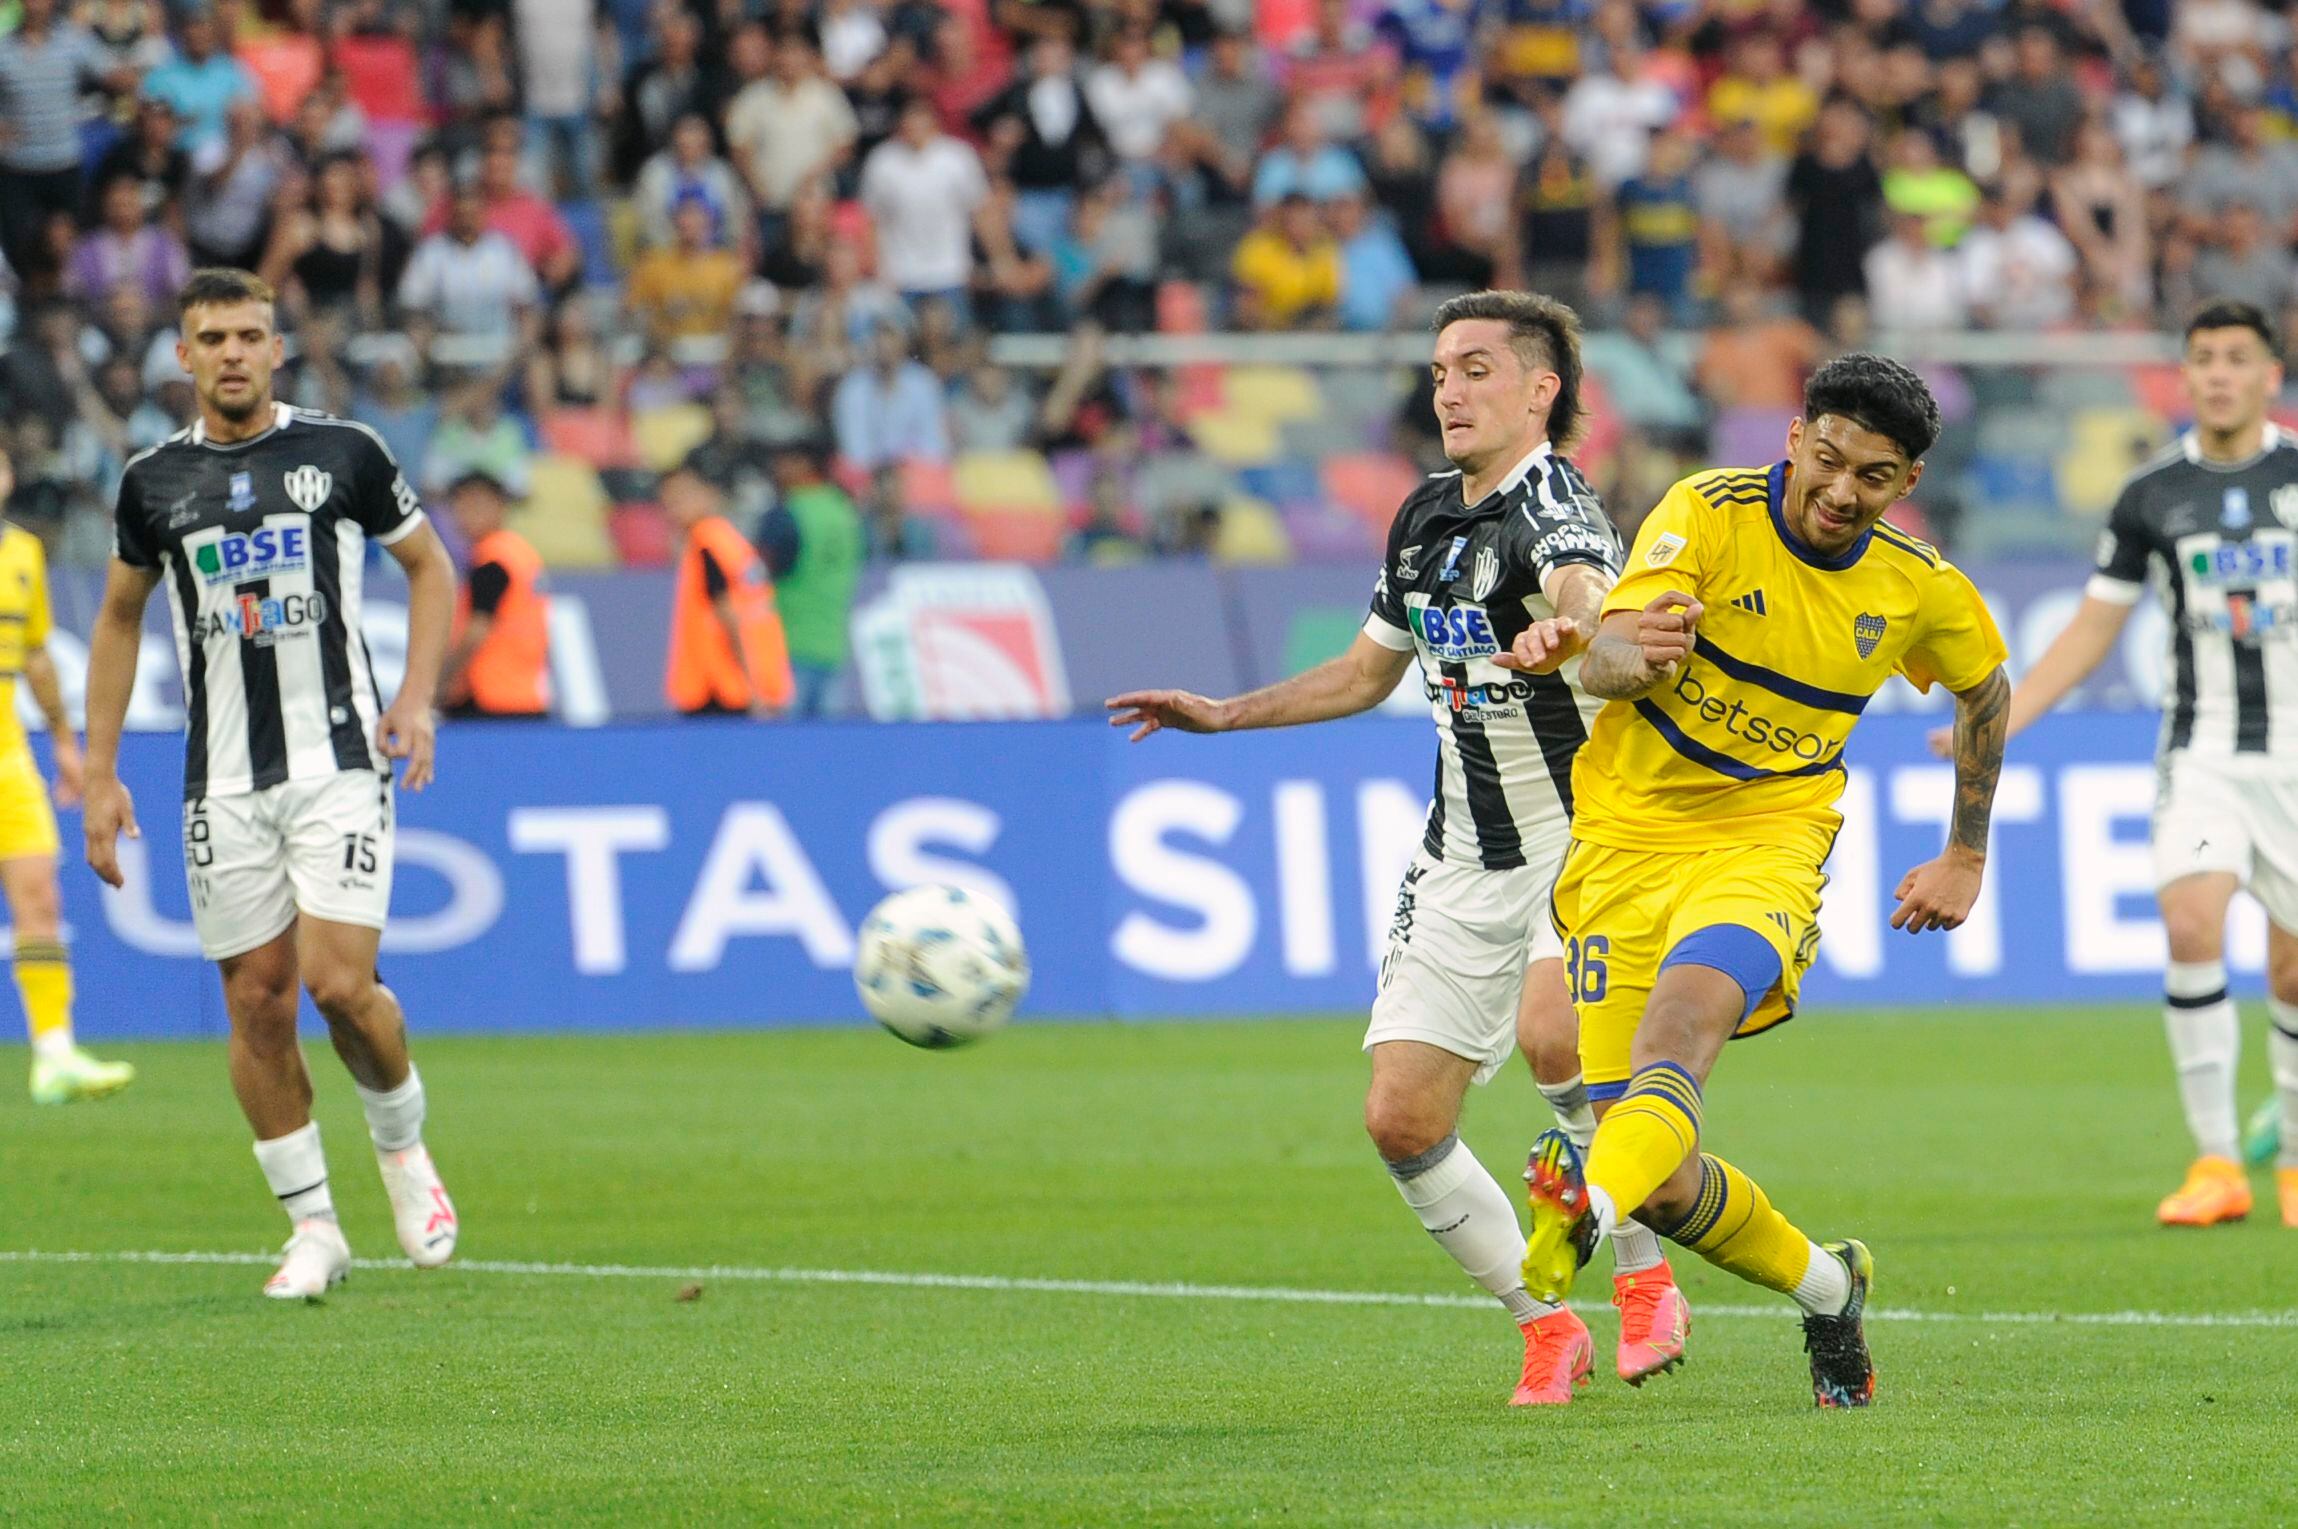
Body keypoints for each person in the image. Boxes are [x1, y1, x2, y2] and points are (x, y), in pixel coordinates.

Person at [1108, 291, 1689, 1408]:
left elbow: (1593, 594)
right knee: (1401, 1117)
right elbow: (1365, 671)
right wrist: (1226, 714)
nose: (1449, 391)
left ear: (1541, 391)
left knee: (1554, 1032)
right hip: (1462, 854)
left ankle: (1643, 1273)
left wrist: (1578, 626)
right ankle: (1546, 1323)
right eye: (1438, 372)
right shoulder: (1424, 516)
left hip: (1587, 837)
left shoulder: (1556, 506)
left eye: (1476, 369)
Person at [1518, 353, 2011, 1409]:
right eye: (1828, 459)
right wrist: (1636, 653)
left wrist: (1966, 851)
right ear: (1795, 438)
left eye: (1873, 477)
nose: (1842, 491)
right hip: (1622, 844)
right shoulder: (1706, 512)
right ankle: (1831, 1287)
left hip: (1765, 842)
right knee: (1659, 1172)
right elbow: (1601, 658)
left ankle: (1580, 1211)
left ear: (1907, 483)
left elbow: (1986, 688)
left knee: (1679, 1033)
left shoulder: (1916, 586)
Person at [81, 268, 461, 1301]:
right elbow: (118, 618)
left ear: (277, 348)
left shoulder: (344, 453)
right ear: (184, 355)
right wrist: (99, 772)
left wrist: (416, 698)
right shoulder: (153, 481)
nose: (234, 353)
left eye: (250, 335)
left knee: (339, 984)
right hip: (223, 781)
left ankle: (402, 1144)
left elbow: (432, 567)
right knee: (256, 1000)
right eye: (213, 338)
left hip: (337, 761)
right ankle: (314, 1228)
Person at [1929, 300, 2298, 1229]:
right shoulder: (2151, 494)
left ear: (2269, 375)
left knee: (2292, 970)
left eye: (2236, 358)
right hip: (2202, 751)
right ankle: (2217, 1161)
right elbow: (2092, 629)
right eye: (2203, 357)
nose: (2219, 373)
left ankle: (2294, 1158)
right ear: (2186, 374)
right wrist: (1999, 722)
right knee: (2190, 921)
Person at [0, 447, 134, 1103]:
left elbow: (35, 655)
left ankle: (52, 1051)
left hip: (8, 757)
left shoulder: (23, 553)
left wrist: (61, 738)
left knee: (41, 897)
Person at [662, 465, 794, 718]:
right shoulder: (732, 541)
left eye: (682, 496)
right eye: (668, 500)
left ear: (709, 494)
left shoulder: (706, 544)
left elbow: (728, 615)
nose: (674, 507)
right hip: (756, 677)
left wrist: (752, 684)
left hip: (718, 684)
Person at [757, 438, 862, 718]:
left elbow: (757, 575)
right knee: (828, 740)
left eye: (784, 462)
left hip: (789, 643)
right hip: (832, 644)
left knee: (784, 739)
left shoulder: (787, 514)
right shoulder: (844, 511)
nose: (777, 469)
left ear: (805, 465)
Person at [439, 469, 549, 719]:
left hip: (488, 695)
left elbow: (477, 630)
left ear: (500, 506)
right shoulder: (521, 553)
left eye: (476, 505)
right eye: (460, 506)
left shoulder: (492, 560)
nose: (466, 515)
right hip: (526, 693)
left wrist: (445, 680)